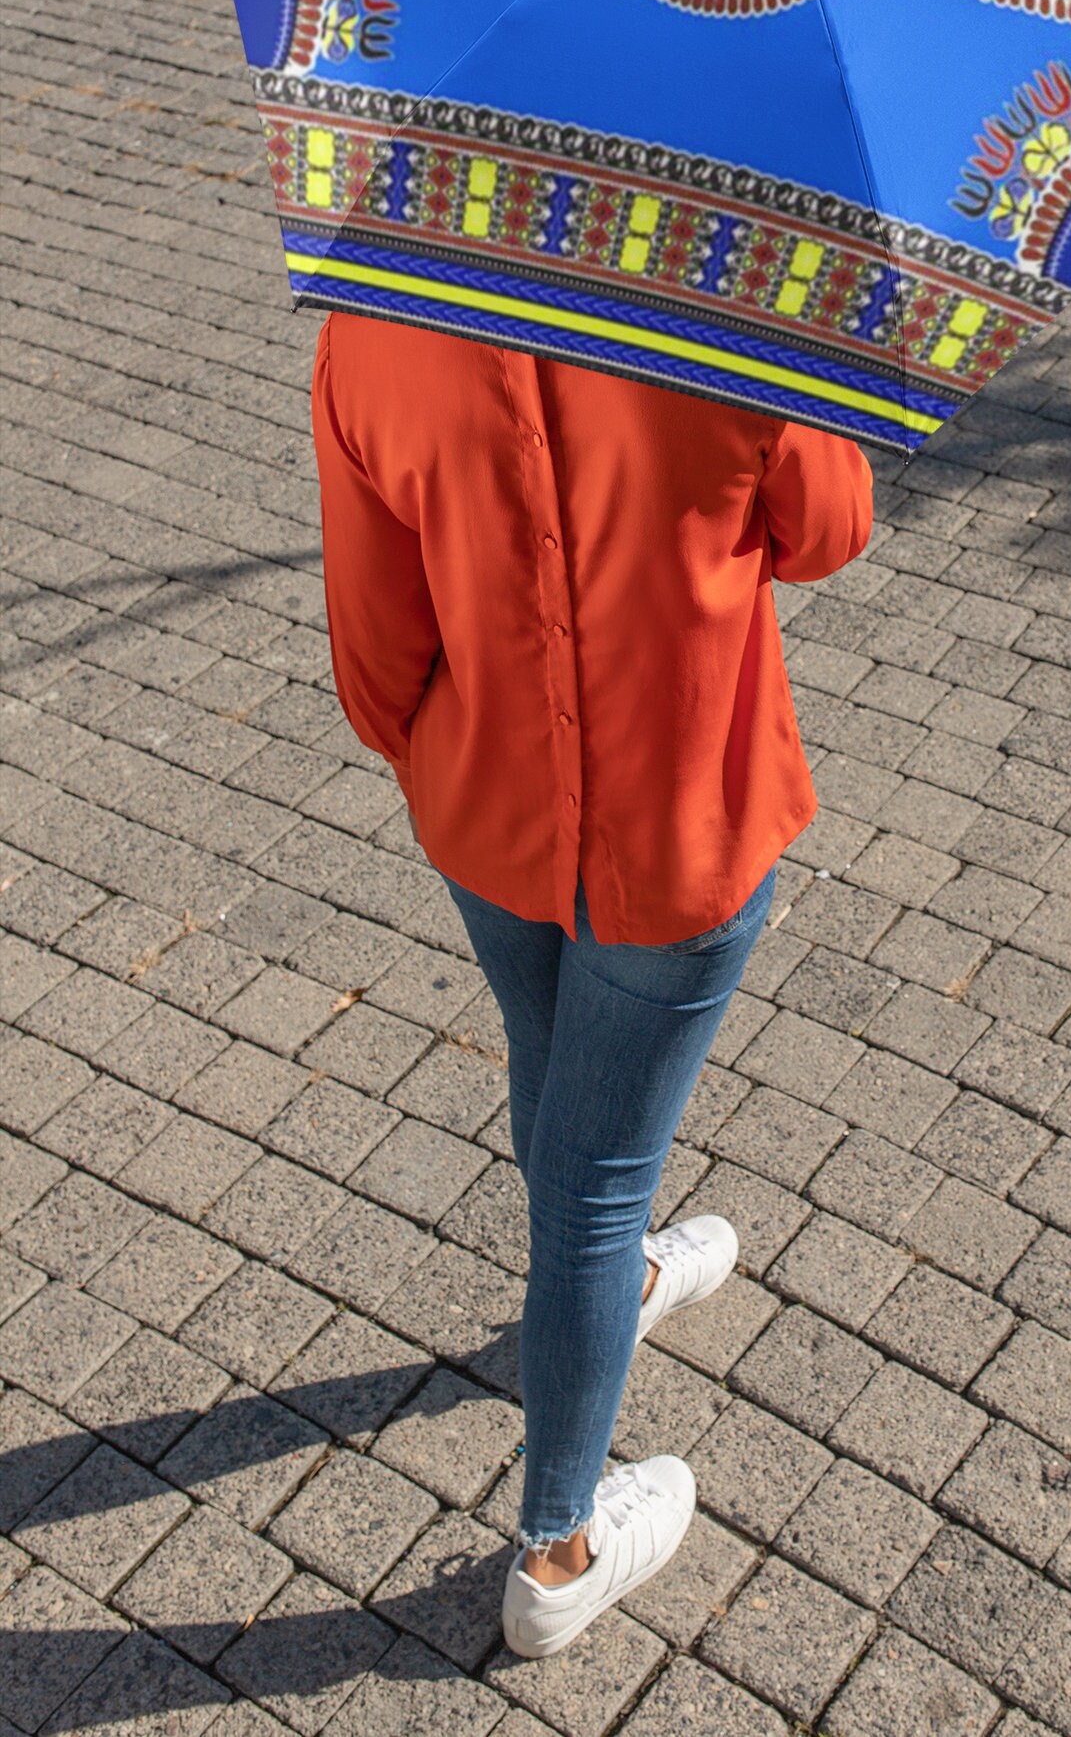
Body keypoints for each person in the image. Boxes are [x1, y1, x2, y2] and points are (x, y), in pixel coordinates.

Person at [311, 312, 874, 1657]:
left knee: (554, 1074)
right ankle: (559, 1546)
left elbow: (373, 653)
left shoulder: (375, 324)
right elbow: (833, 528)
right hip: (684, 826)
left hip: (485, 809)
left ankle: (605, 1285)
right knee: (595, 1177)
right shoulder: (735, 314)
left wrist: (452, 754)